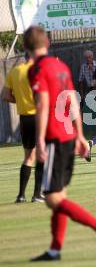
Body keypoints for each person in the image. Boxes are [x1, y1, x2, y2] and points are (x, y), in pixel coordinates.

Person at [26, 26, 96, 261]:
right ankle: (55, 249)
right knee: (60, 197)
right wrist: (78, 135)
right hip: (67, 137)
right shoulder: (61, 66)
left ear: (27, 47)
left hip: (54, 139)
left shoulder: (37, 69)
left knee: (52, 199)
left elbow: (43, 106)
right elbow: (74, 104)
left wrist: (39, 141)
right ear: (47, 43)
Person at [2, 53, 44, 203]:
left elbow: (6, 96)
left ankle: (21, 195)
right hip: (39, 117)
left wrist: (20, 101)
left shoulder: (15, 71)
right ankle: (37, 194)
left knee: (28, 157)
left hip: (24, 119)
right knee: (42, 154)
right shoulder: (40, 70)